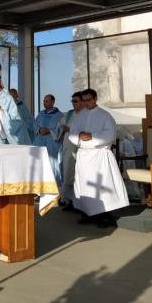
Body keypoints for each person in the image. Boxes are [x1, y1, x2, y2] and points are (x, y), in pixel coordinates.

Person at [69, 88, 129, 226]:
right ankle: (87, 213)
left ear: (95, 99)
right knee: (84, 186)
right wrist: (78, 136)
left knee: (101, 186)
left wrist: (91, 137)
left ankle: (104, 216)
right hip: (83, 156)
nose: (85, 103)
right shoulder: (79, 116)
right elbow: (72, 132)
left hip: (99, 156)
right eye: (83, 100)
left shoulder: (105, 116)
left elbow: (110, 136)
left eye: (88, 100)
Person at [34, 94, 64, 187]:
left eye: (47, 101)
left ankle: (55, 190)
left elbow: (60, 129)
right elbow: (34, 125)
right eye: (44, 101)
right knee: (39, 165)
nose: (44, 103)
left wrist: (50, 131)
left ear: (52, 102)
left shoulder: (59, 115)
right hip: (40, 143)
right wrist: (39, 130)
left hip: (52, 146)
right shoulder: (40, 114)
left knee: (52, 166)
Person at [60, 92, 83, 209]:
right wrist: (63, 127)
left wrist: (72, 129)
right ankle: (68, 199)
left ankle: (78, 202)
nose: (73, 104)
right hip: (68, 146)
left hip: (81, 148)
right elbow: (61, 124)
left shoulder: (86, 114)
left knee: (79, 173)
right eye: (72, 101)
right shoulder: (69, 114)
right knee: (68, 171)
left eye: (76, 101)